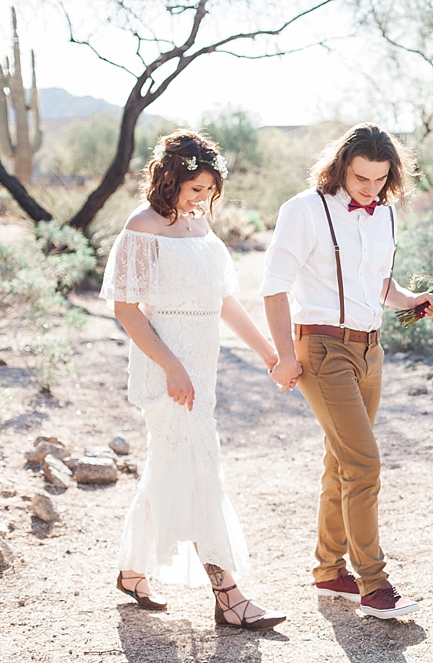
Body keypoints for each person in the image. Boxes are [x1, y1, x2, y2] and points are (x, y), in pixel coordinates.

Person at [101, 130, 286, 631]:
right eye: (194, 189)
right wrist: (172, 367)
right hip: (167, 366)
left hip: (203, 363)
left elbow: (225, 303)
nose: (202, 199)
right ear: (169, 178)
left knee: (170, 467)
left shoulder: (200, 229)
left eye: (209, 191)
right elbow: (126, 309)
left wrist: (269, 352)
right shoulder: (142, 227)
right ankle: (228, 594)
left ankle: (132, 569)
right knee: (202, 466)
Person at [261, 123, 433, 619]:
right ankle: (374, 585)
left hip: (370, 351)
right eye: (361, 177)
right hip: (321, 348)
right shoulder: (304, 210)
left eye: (380, 180)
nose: (370, 188)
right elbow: (274, 287)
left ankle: (329, 570)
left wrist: (415, 300)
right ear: (341, 167)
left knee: (342, 462)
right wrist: (285, 355)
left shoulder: (386, 214)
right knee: (364, 465)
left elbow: (380, 284)